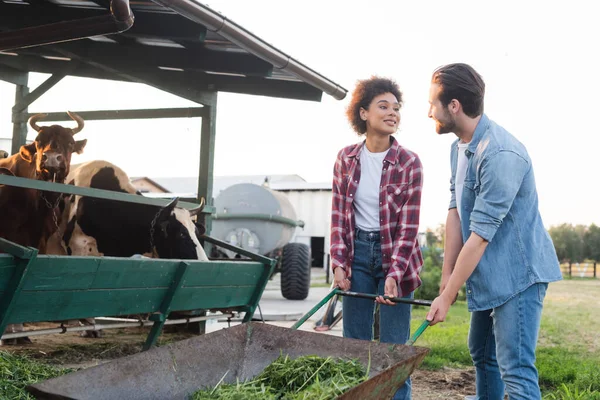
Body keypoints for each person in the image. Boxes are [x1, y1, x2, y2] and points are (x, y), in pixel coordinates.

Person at [425, 63, 562, 400]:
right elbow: (456, 213)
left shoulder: (500, 153)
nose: (429, 112)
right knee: (482, 354)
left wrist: (448, 294)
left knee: (515, 369)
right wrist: (447, 280)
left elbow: (481, 234)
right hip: (488, 271)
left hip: (518, 275)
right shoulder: (458, 148)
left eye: (433, 104)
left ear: (454, 106)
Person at [330, 76, 424, 400]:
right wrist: (338, 264)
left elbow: (409, 228)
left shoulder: (409, 163)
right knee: (354, 347)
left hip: (396, 258)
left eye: (396, 108)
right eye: (383, 106)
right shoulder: (346, 159)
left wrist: (394, 274)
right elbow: (339, 215)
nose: (392, 113)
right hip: (357, 255)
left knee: (394, 351)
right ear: (363, 113)